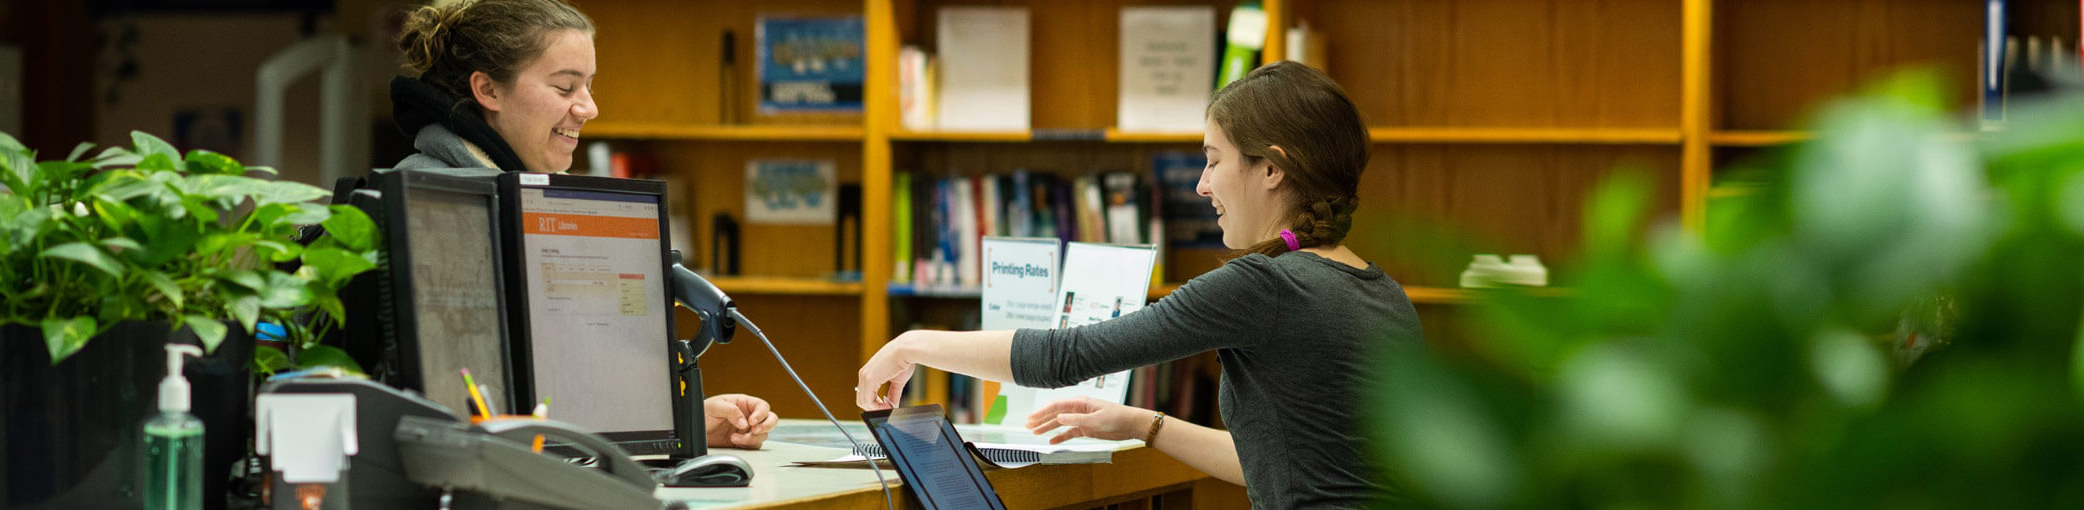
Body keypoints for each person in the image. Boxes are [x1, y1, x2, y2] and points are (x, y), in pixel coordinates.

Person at [855, 61, 1422, 507]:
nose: (1201, 186)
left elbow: (1065, 355)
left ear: (1271, 169)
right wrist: (1139, 423)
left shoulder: (1265, 287)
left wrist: (912, 344)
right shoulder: (1380, 292)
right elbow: (1291, 465)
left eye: (1213, 160)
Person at [393, 0, 777, 449]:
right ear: (489, 91)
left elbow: (563, 379)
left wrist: (683, 420)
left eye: (589, 86)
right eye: (565, 87)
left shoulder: (531, 198)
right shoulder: (434, 209)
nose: (588, 108)